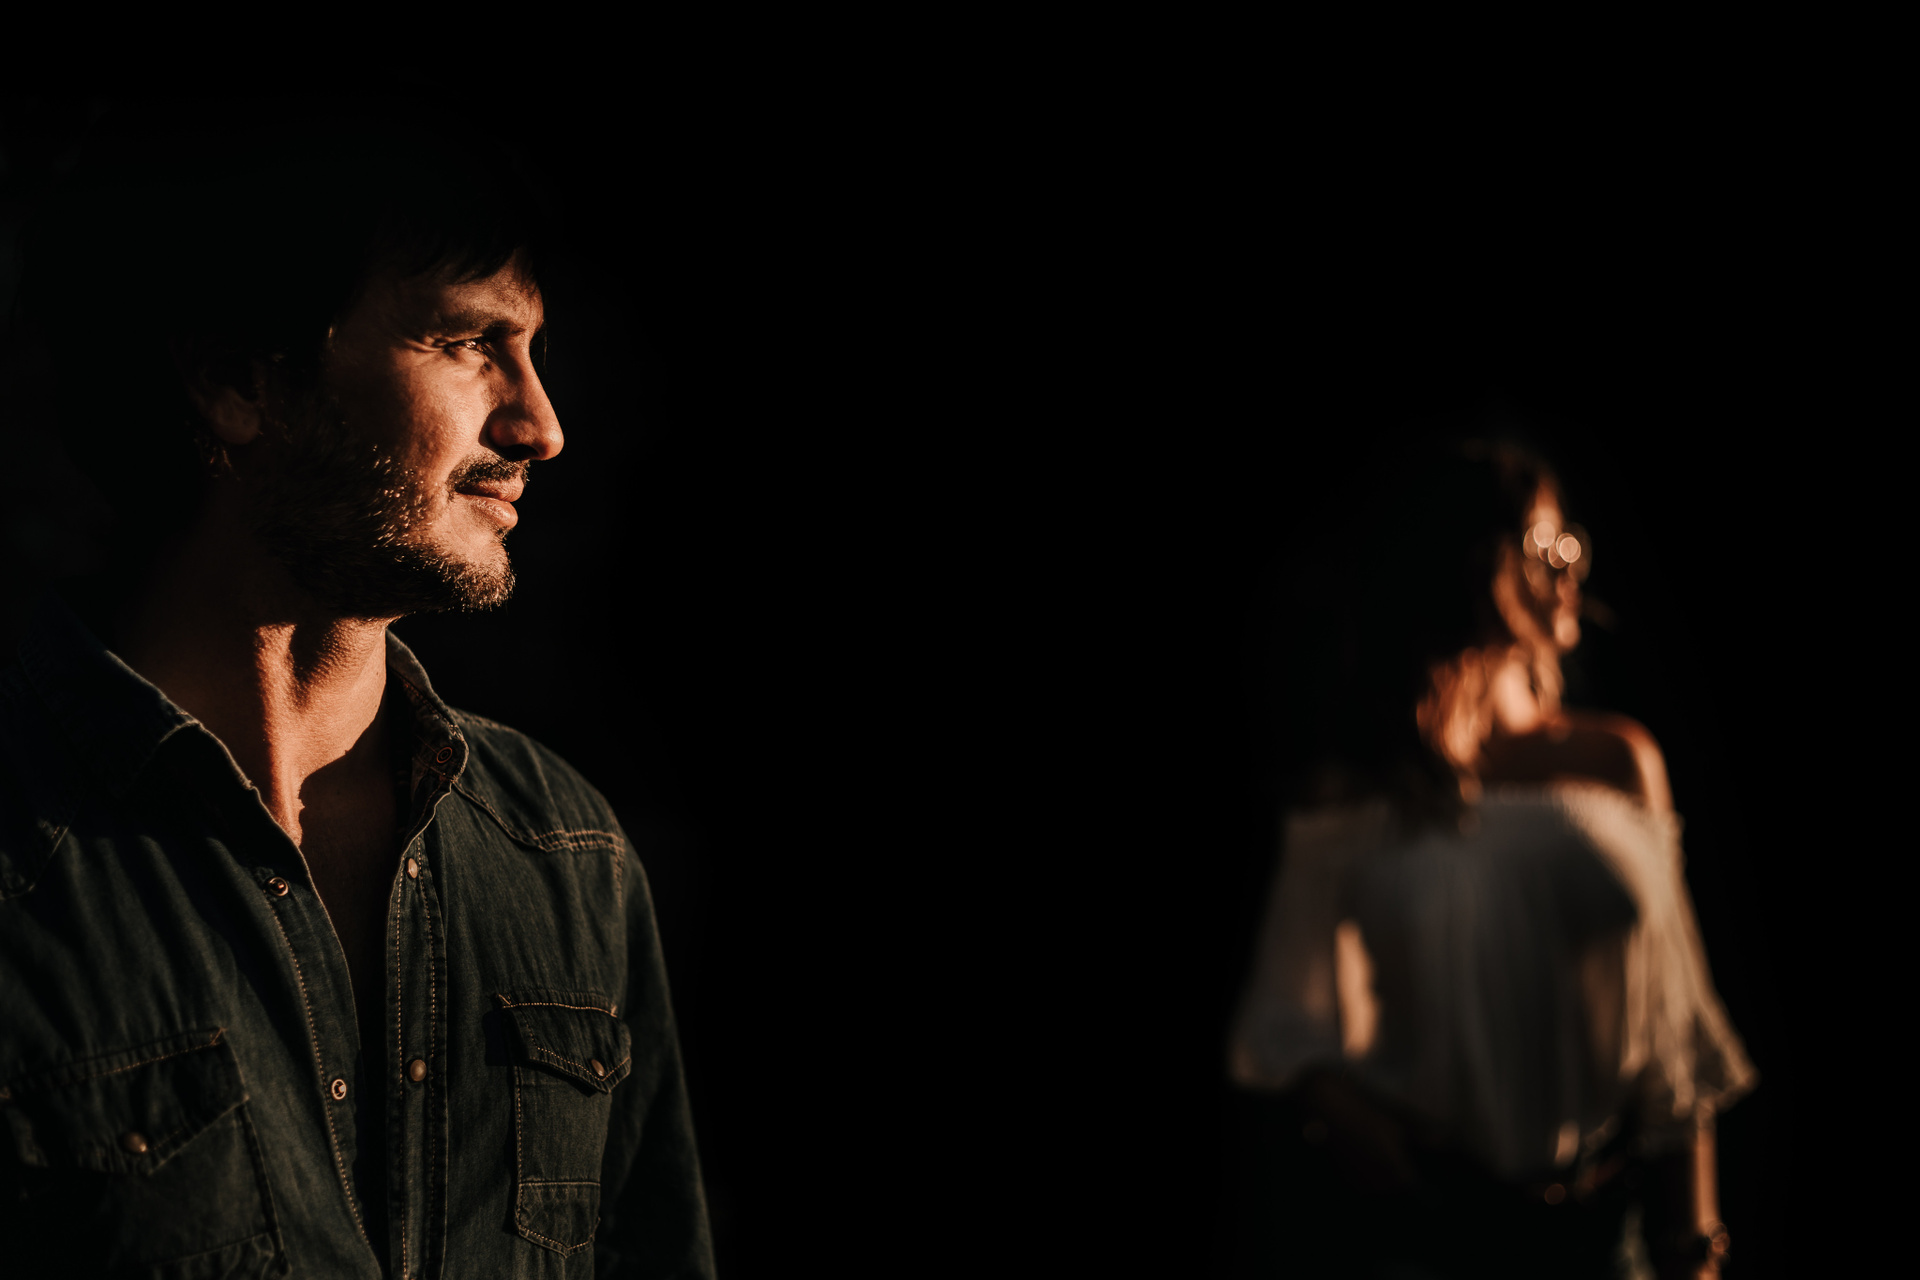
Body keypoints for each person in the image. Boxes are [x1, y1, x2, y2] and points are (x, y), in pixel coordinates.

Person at [0, 101, 713, 1276]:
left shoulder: (567, 854)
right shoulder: (24, 862)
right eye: (467, 340)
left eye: (532, 348)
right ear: (240, 378)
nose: (540, 424)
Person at [1225, 441, 1755, 1279]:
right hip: (1427, 1240)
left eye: (1572, 541)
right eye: (1544, 544)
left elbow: (1677, 1032)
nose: (1570, 566)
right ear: (1472, 566)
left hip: (1599, 1237)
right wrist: (1350, 1115)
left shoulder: (1615, 761)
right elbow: (1282, 1028)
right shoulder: (1359, 797)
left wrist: (1695, 1246)